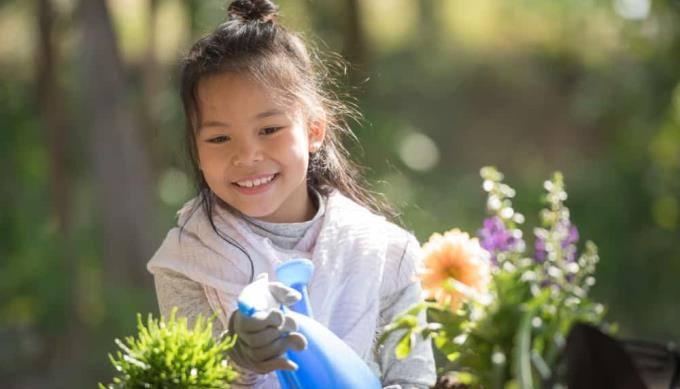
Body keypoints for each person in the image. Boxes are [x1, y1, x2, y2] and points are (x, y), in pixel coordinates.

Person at [147, 0, 436, 387]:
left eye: (269, 130)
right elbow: (185, 379)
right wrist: (236, 357)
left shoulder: (385, 254)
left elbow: (415, 377)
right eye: (219, 138)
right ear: (196, 151)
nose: (246, 156)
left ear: (314, 130)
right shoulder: (187, 262)